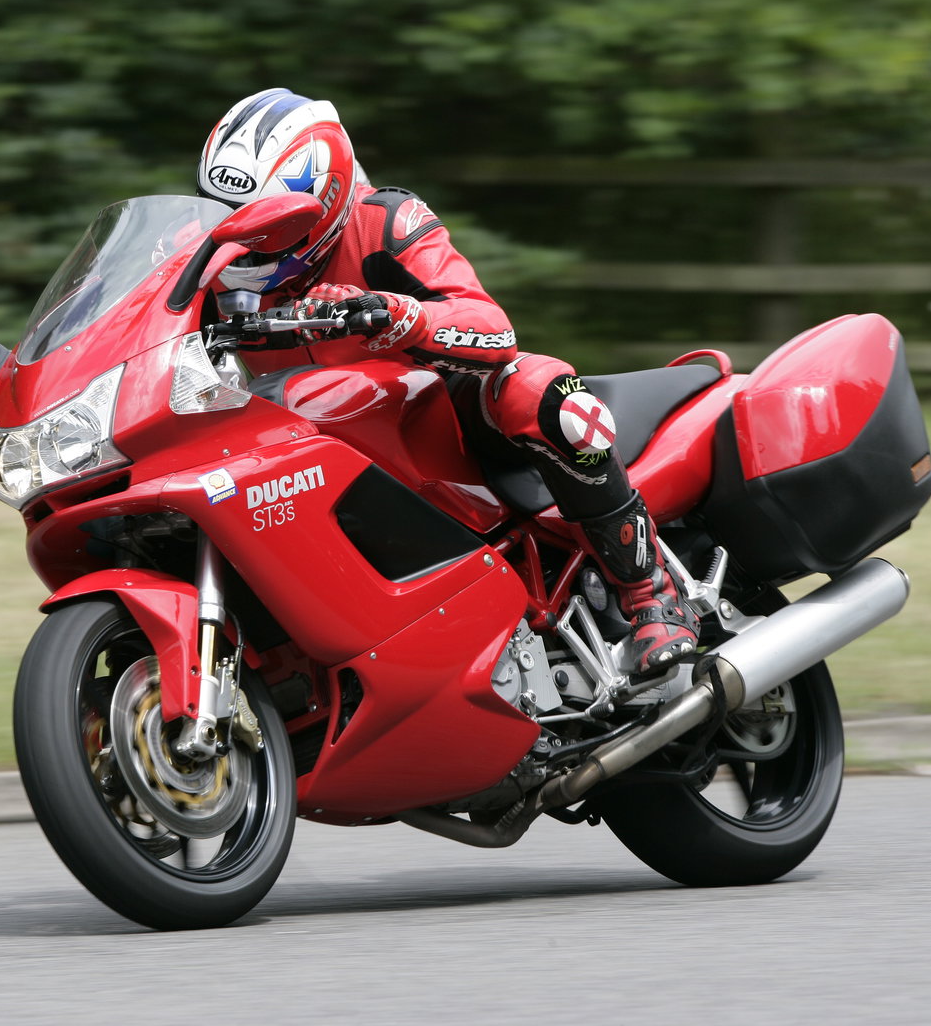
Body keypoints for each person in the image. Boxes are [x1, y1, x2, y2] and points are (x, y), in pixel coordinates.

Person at [196, 88, 699, 675]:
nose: (250, 242)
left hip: (431, 413)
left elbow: (491, 326)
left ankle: (650, 592)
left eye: (272, 225)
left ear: (323, 198)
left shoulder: (385, 221)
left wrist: (397, 314)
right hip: (297, 442)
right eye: (231, 217)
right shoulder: (210, 261)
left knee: (543, 391)